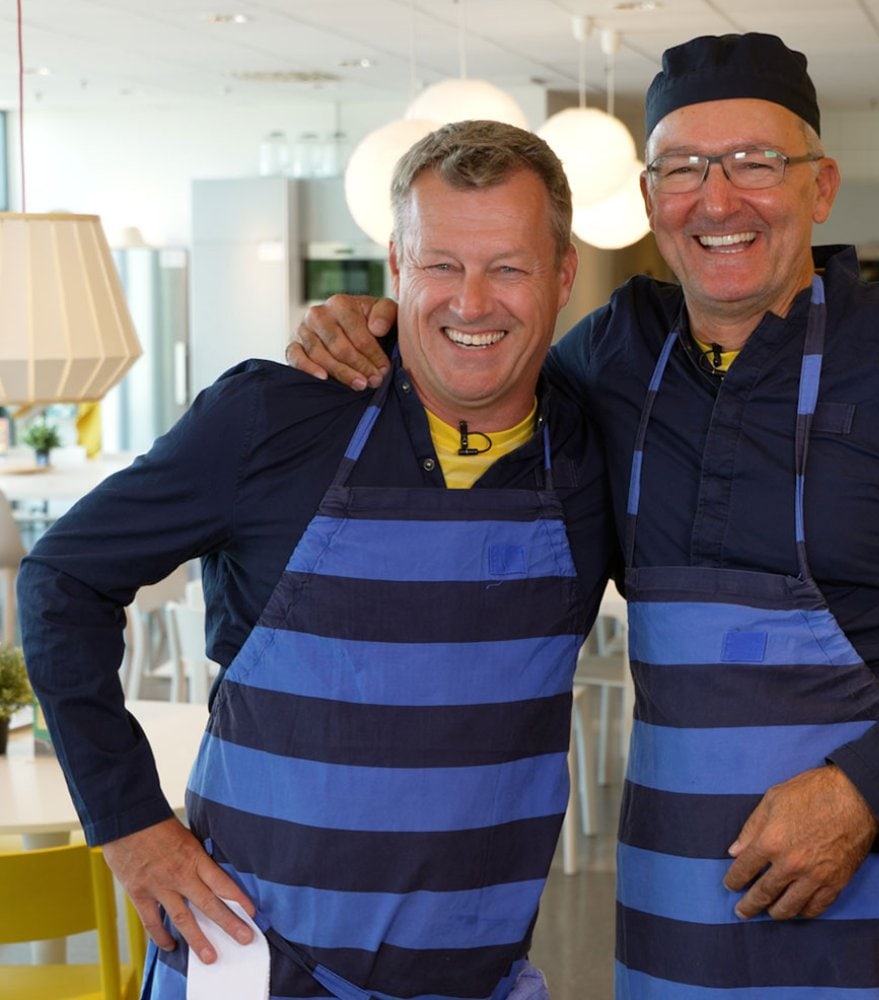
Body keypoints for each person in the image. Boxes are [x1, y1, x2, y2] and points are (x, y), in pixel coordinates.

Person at [287, 34, 879, 1000]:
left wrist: (866, 795)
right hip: (680, 919)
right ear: (648, 199)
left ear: (822, 186)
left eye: (757, 163)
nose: (717, 199)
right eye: (683, 167)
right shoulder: (604, 361)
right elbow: (462, 399)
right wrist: (365, 328)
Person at [18, 120, 614, 1000]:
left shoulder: (596, 446)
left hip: (475, 978)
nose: (473, 301)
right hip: (255, 969)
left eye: (509, 267)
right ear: (396, 268)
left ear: (563, 275)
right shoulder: (275, 417)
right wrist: (129, 823)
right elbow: (61, 580)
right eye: (441, 263)